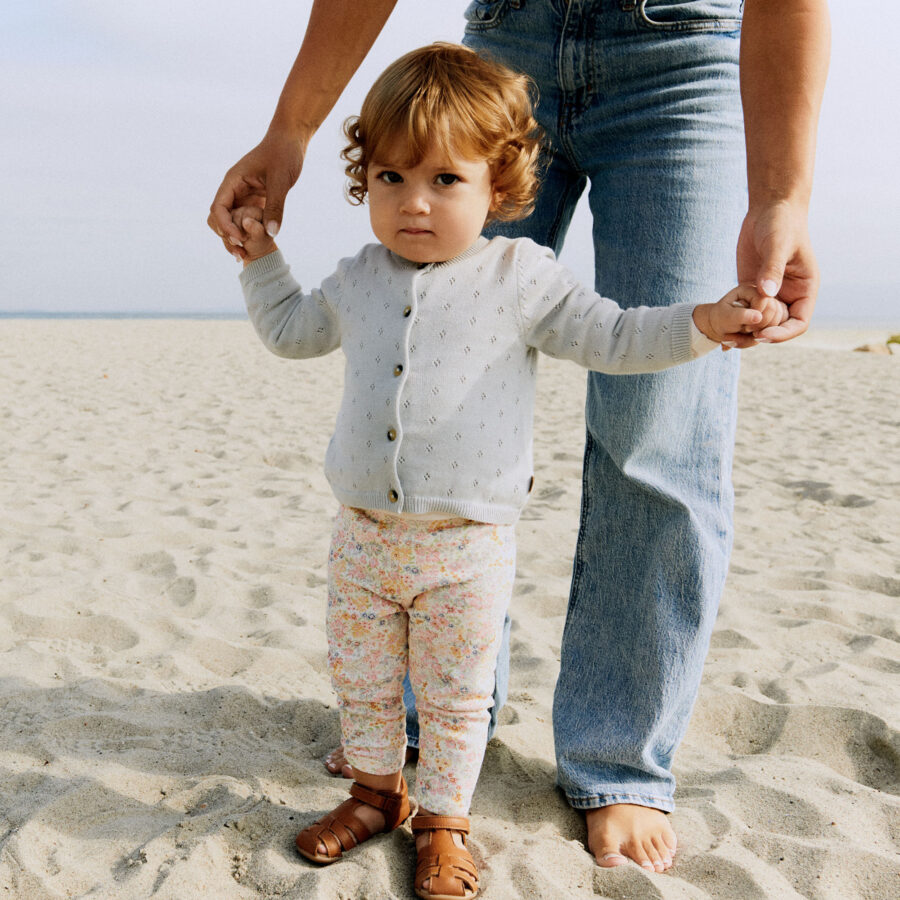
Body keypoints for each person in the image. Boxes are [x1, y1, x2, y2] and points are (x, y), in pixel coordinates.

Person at [209, 0, 830, 874]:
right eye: (390, 181)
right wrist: (283, 157)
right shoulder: (361, 274)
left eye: (438, 187)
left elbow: (613, 337)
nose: (412, 204)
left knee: (657, 437)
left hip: (682, 54)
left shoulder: (521, 276)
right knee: (377, 668)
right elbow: (295, 329)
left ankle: (611, 764)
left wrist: (766, 221)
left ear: (493, 189)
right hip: (505, 39)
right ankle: (397, 765)